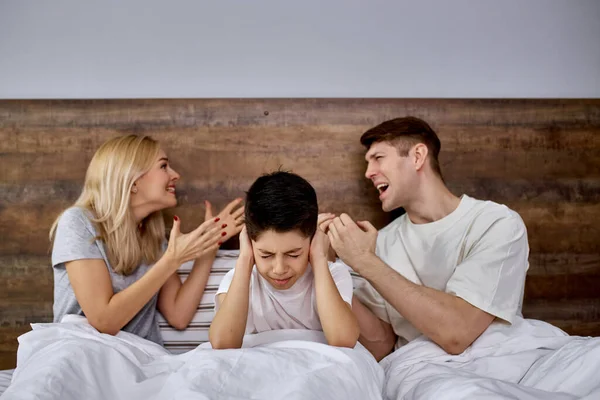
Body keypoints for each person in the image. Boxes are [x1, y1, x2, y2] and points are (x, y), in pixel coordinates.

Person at [322, 117, 529, 360]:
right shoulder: (379, 243)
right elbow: (380, 347)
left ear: (418, 156)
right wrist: (326, 268)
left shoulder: (496, 223)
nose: (368, 173)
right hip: (420, 368)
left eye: (378, 158)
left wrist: (364, 261)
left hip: (500, 361)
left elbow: (458, 333)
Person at [50, 134, 244, 344]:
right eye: (163, 166)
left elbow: (179, 315)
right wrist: (171, 260)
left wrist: (208, 248)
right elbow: (103, 321)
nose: (175, 175)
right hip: (85, 349)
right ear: (133, 181)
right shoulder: (78, 223)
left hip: (138, 356)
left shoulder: (152, 238)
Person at [209, 171, 360, 349]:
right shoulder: (239, 281)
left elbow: (343, 340)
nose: (279, 269)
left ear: (312, 240)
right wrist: (244, 259)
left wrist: (319, 258)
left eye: (293, 254)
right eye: (266, 255)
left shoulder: (334, 275)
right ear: (249, 243)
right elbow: (223, 344)